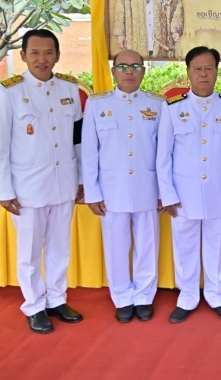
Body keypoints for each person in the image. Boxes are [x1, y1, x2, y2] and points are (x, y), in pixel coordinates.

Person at [0, 29, 85, 334]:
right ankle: (34, 305)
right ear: (23, 56)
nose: (42, 59)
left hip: (64, 182)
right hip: (27, 187)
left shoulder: (69, 88)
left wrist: (81, 179)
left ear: (57, 55)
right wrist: (4, 190)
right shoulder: (8, 92)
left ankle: (56, 298)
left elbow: (77, 140)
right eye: (35, 53)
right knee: (30, 252)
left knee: (60, 247)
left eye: (48, 52)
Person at [158, 46, 221, 323]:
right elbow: (163, 155)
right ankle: (187, 296)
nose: (203, 74)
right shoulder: (173, 108)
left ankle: (218, 295)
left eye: (209, 68)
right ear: (188, 72)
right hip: (184, 194)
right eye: (198, 69)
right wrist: (167, 194)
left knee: (218, 247)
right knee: (184, 247)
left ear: (217, 72)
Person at [81, 50, 165, 323]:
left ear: (144, 71)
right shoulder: (97, 104)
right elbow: (89, 152)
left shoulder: (158, 104)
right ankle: (122, 297)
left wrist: (164, 191)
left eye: (136, 67)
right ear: (114, 71)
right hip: (111, 189)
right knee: (116, 246)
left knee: (147, 244)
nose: (129, 71)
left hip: (148, 186)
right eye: (124, 66)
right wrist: (92, 191)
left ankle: (144, 296)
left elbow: (165, 152)